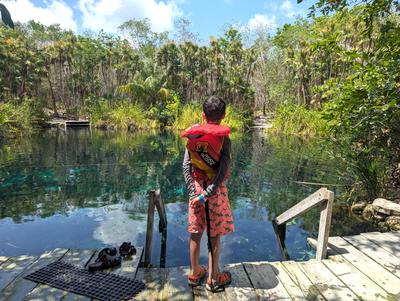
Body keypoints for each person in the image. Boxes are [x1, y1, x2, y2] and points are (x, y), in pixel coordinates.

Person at [181, 95, 234, 292]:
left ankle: (195, 274)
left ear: (203, 115)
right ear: (224, 115)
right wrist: (209, 192)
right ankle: (213, 278)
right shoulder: (224, 139)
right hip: (215, 192)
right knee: (215, 235)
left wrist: (193, 192)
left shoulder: (193, 135)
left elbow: (186, 166)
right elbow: (223, 170)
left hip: (195, 189)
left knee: (195, 233)